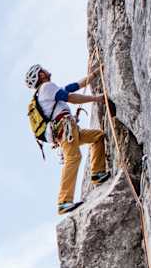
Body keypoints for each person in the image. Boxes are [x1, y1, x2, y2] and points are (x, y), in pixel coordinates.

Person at [25, 64, 110, 215]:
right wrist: (97, 98)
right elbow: (69, 97)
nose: (46, 70)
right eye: (42, 70)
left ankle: (97, 173)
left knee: (98, 136)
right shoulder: (46, 87)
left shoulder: (46, 91)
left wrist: (94, 74)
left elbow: (72, 87)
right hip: (65, 128)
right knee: (73, 158)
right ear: (41, 75)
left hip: (67, 129)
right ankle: (64, 201)